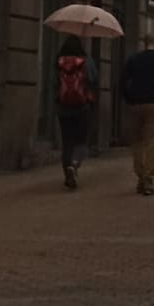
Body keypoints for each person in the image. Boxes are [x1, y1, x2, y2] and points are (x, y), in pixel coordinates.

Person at [120, 34, 154, 195]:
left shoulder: (134, 59)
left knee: (137, 142)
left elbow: (123, 81)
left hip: (136, 104)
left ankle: (140, 175)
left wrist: (129, 99)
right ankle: (148, 179)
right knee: (151, 142)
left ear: (144, 44)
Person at [55, 35, 98, 190]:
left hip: (63, 107)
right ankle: (74, 164)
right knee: (81, 140)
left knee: (67, 141)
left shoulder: (59, 62)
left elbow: (54, 82)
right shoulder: (86, 61)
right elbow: (94, 79)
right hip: (82, 106)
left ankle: (67, 170)